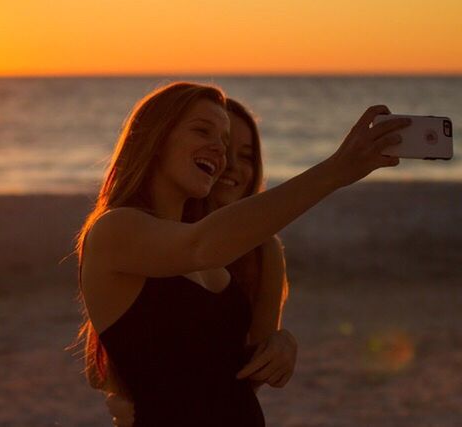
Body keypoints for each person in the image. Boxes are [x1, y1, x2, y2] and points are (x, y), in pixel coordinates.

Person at [74, 81, 408, 426]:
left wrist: (282, 344)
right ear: (154, 139)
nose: (220, 152)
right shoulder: (115, 230)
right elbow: (201, 246)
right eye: (202, 131)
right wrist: (335, 170)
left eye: (224, 141)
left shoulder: (223, 250)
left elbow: (234, 366)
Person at [104, 97, 297, 426]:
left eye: (246, 156)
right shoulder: (143, 236)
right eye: (209, 139)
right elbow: (116, 368)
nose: (229, 162)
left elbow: (245, 369)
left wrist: (282, 344)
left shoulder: (263, 252)